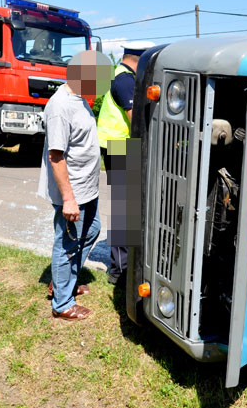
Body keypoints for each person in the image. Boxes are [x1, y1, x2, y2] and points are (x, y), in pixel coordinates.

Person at [38, 51, 114, 320]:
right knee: (68, 243)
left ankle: (62, 283)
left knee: (91, 230)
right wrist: (68, 199)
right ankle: (62, 304)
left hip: (86, 188)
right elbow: (55, 156)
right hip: (73, 191)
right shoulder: (60, 107)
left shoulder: (79, 98)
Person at [97, 41, 154, 285]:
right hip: (120, 147)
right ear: (139, 59)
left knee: (127, 209)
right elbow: (135, 121)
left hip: (119, 146)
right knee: (125, 212)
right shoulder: (125, 80)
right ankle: (119, 272)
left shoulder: (124, 76)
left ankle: (124, 267)